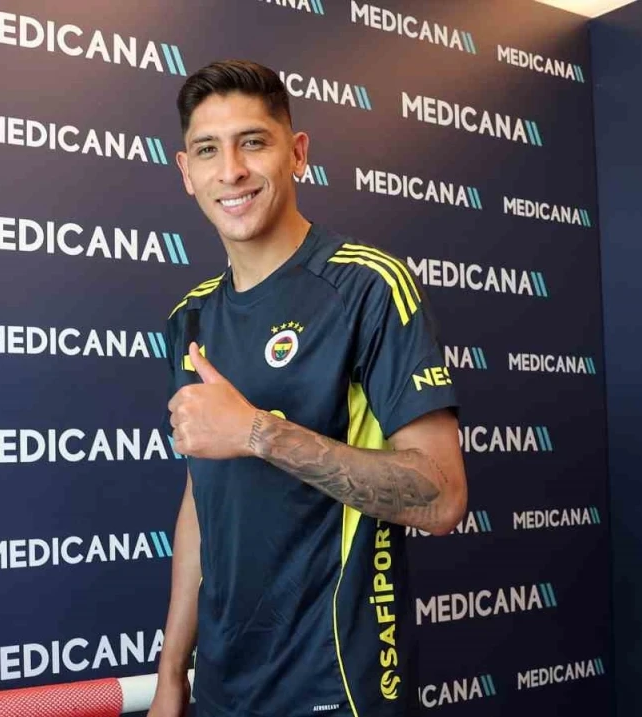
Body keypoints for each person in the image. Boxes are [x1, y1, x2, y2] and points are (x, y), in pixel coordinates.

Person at [147, 60, 468, 717]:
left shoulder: (367, 286)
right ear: (185, 171)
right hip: (224, 685)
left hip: (337, 683)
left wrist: (258, 432)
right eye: (208, 150)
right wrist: (173, 675)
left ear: (297, 154)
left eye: (253, 142)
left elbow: (442, 497)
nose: (231, 170)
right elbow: (201, 499)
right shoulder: (191, 317)